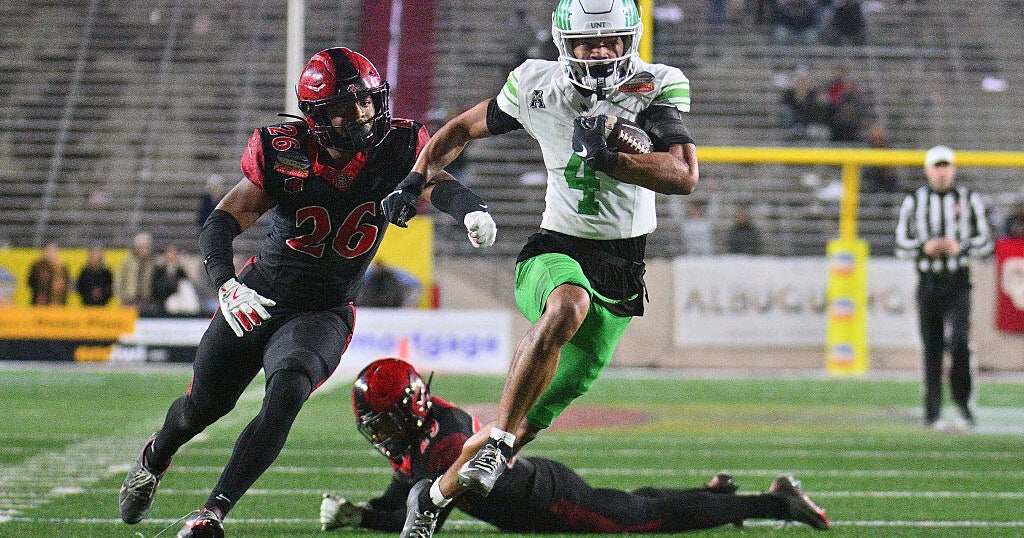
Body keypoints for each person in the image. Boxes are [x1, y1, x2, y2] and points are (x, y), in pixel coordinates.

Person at [117, 47, 496, 538]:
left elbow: (432, 181)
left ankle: (211, 513)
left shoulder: (397, 146)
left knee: (286, 393)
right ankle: (155, 457)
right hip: (260, 295)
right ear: (317, 115)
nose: (360, 114)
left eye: (365, 102)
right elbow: (224, 219)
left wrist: (469, 209)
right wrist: (225, 283)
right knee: (201, 409)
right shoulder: (287, 150)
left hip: (323, 310)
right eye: (344, 106)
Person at [379, 1, 699, 535]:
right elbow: (459, 129)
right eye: (587, 44)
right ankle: (499, 440)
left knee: (524, 422)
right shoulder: (537, 85)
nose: (599, 53)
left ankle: (430, 499)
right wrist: (414, 180)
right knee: (566, 304)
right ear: (563, 44)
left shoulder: (654, 86)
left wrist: (613, 158)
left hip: (622, 274)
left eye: (610, 42)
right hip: (555, 249)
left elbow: (684, 174)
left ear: (630, 41)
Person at [318, 358, 829, 533]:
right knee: (632, 503)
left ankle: (775, 501)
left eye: (383, 424)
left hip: (547, 501)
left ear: (408, 408)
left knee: (645, 519)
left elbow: (421, 514)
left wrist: (362, 518)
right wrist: (359, 514)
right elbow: (401, 498)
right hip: (538, 488)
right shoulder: (424, 434)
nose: (381, 437)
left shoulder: (446, 438)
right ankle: (714, 493)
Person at [894, 145, 993, 430]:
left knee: (960, 342)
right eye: (936, 166)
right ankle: (933, 410)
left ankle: (963, 404)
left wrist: (957, 247)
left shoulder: (968, 199)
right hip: (928, 283)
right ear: (927, 170)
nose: (941, 171)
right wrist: (925, 248)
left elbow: (985, 241)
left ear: (953, 169)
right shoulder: (914, 201)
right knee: (932, 348)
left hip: (958, 282)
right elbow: (900, 244)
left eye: (946, 165)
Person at [151, 244, 200, 315]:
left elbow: (188, 284)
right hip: (165, 299)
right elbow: (157, 287)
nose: (171, 256)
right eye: (170, 253)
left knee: (185, 286)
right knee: (172, 304)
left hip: (180, 298)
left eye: (174, 254)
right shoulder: (160, 270)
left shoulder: (180, 270)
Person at [115, 231, 157, 313]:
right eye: (141, 247)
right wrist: (122, 297)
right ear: (136, 247)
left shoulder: (153, 263)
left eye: (146, 247)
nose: (144, 250)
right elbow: (118, 281)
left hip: (146, 301)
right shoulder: (127, 262)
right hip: (129, 300)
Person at [27, 241, 71, 305]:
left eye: (53, 251)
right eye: (49, 251)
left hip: (58, 303)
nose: (51, 253)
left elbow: (67, 284)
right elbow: (30, 282)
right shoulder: (38, 266)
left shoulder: (62, 267)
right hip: (40, 302)